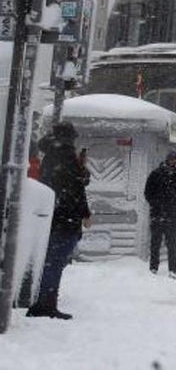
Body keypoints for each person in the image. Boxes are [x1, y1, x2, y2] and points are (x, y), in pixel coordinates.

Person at [27, 122, 91, 319]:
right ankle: (46, 303)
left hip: (52, 215)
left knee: (51, 261)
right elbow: (75, 189)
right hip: (66, 217)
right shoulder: (66, 156)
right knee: (55, 262)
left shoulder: (50, 155)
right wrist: (86, 213)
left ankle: (44, 300)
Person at [145, 150, 176, 278]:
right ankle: (154, 268)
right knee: (157, 243)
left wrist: (169, 203)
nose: (175, 162)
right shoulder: (157, 174)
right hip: (161, 213)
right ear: (168, 159)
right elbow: (148, 192)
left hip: (169, 214)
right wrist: (157, 203)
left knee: (170, 243)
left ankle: (172, 269)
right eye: (173, 159)